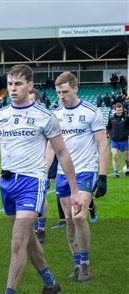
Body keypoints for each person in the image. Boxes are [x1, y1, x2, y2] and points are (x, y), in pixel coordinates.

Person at [0, 65, 82, 294]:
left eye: (18, 84)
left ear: (30, 85)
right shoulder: (0, 115)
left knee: (18, 241)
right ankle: (51, 283)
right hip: (6, 183)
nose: (13, 89)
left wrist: (74, 190)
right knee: (27, 241)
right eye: (10, 84)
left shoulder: (45, 116)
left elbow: (62, 153)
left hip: (32, 183)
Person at [49, 72, 109, 282]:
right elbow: (50, 145)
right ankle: (76, 263)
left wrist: (102, 176)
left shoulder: (92, 112)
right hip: (63, 174)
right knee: (68, 221)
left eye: (65, 91)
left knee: (79, 215)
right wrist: (45, 171)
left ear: (75, 88)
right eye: (58, 93)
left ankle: (85, 264)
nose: (61, 96)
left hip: (85, 171)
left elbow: (102, 144)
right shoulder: (55, 115)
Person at [106, 103, 129, 178]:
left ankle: (127, 170)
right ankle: (116, 173)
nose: (119, 111)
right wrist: (110, 134)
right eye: (118, 110)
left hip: (124, 140)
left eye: (120, 110)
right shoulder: (111, 118)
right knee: (115, 156)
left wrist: (127, 133)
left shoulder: (127, 118)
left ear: (123, 110)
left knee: (127, 158)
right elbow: (108, 127)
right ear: (115, 110)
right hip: (114, 140)